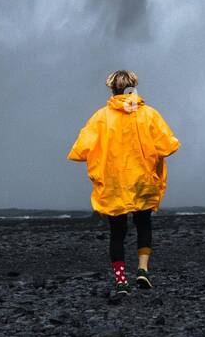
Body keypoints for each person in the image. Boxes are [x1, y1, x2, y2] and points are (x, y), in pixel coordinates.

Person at [67, 70, 180, 298]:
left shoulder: (100, 117)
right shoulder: (149, 114)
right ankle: (143, 270)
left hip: (114, 184)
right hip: (143, 180)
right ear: (133, 87)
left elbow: (79, 151)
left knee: (117, 232)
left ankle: (121, 282)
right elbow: (169, 145)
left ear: (112, 89)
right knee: (144, 224)